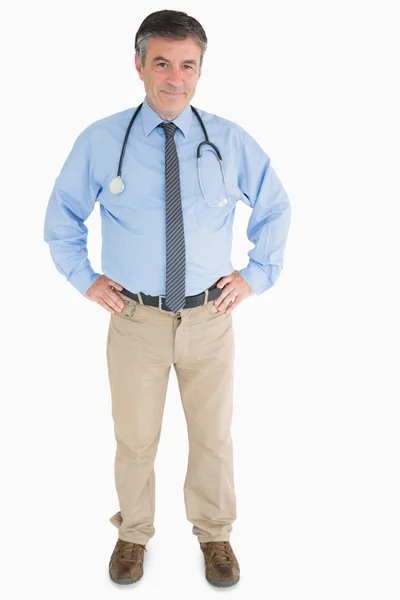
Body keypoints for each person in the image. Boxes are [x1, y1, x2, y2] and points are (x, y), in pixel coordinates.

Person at [43, 9, 291, 588]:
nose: (174, 78)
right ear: (139, 66)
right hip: (135, 319)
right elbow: (62, 219)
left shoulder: (228, 140)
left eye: (187, 65)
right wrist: (86, 279)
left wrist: (255, 275)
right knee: (134, 437)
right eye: (162, 63)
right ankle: (133, 534)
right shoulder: (101, 141)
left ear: (200, 71)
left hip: (211, 315)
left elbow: (276, 206)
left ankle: (215, 536)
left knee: (213, 436)